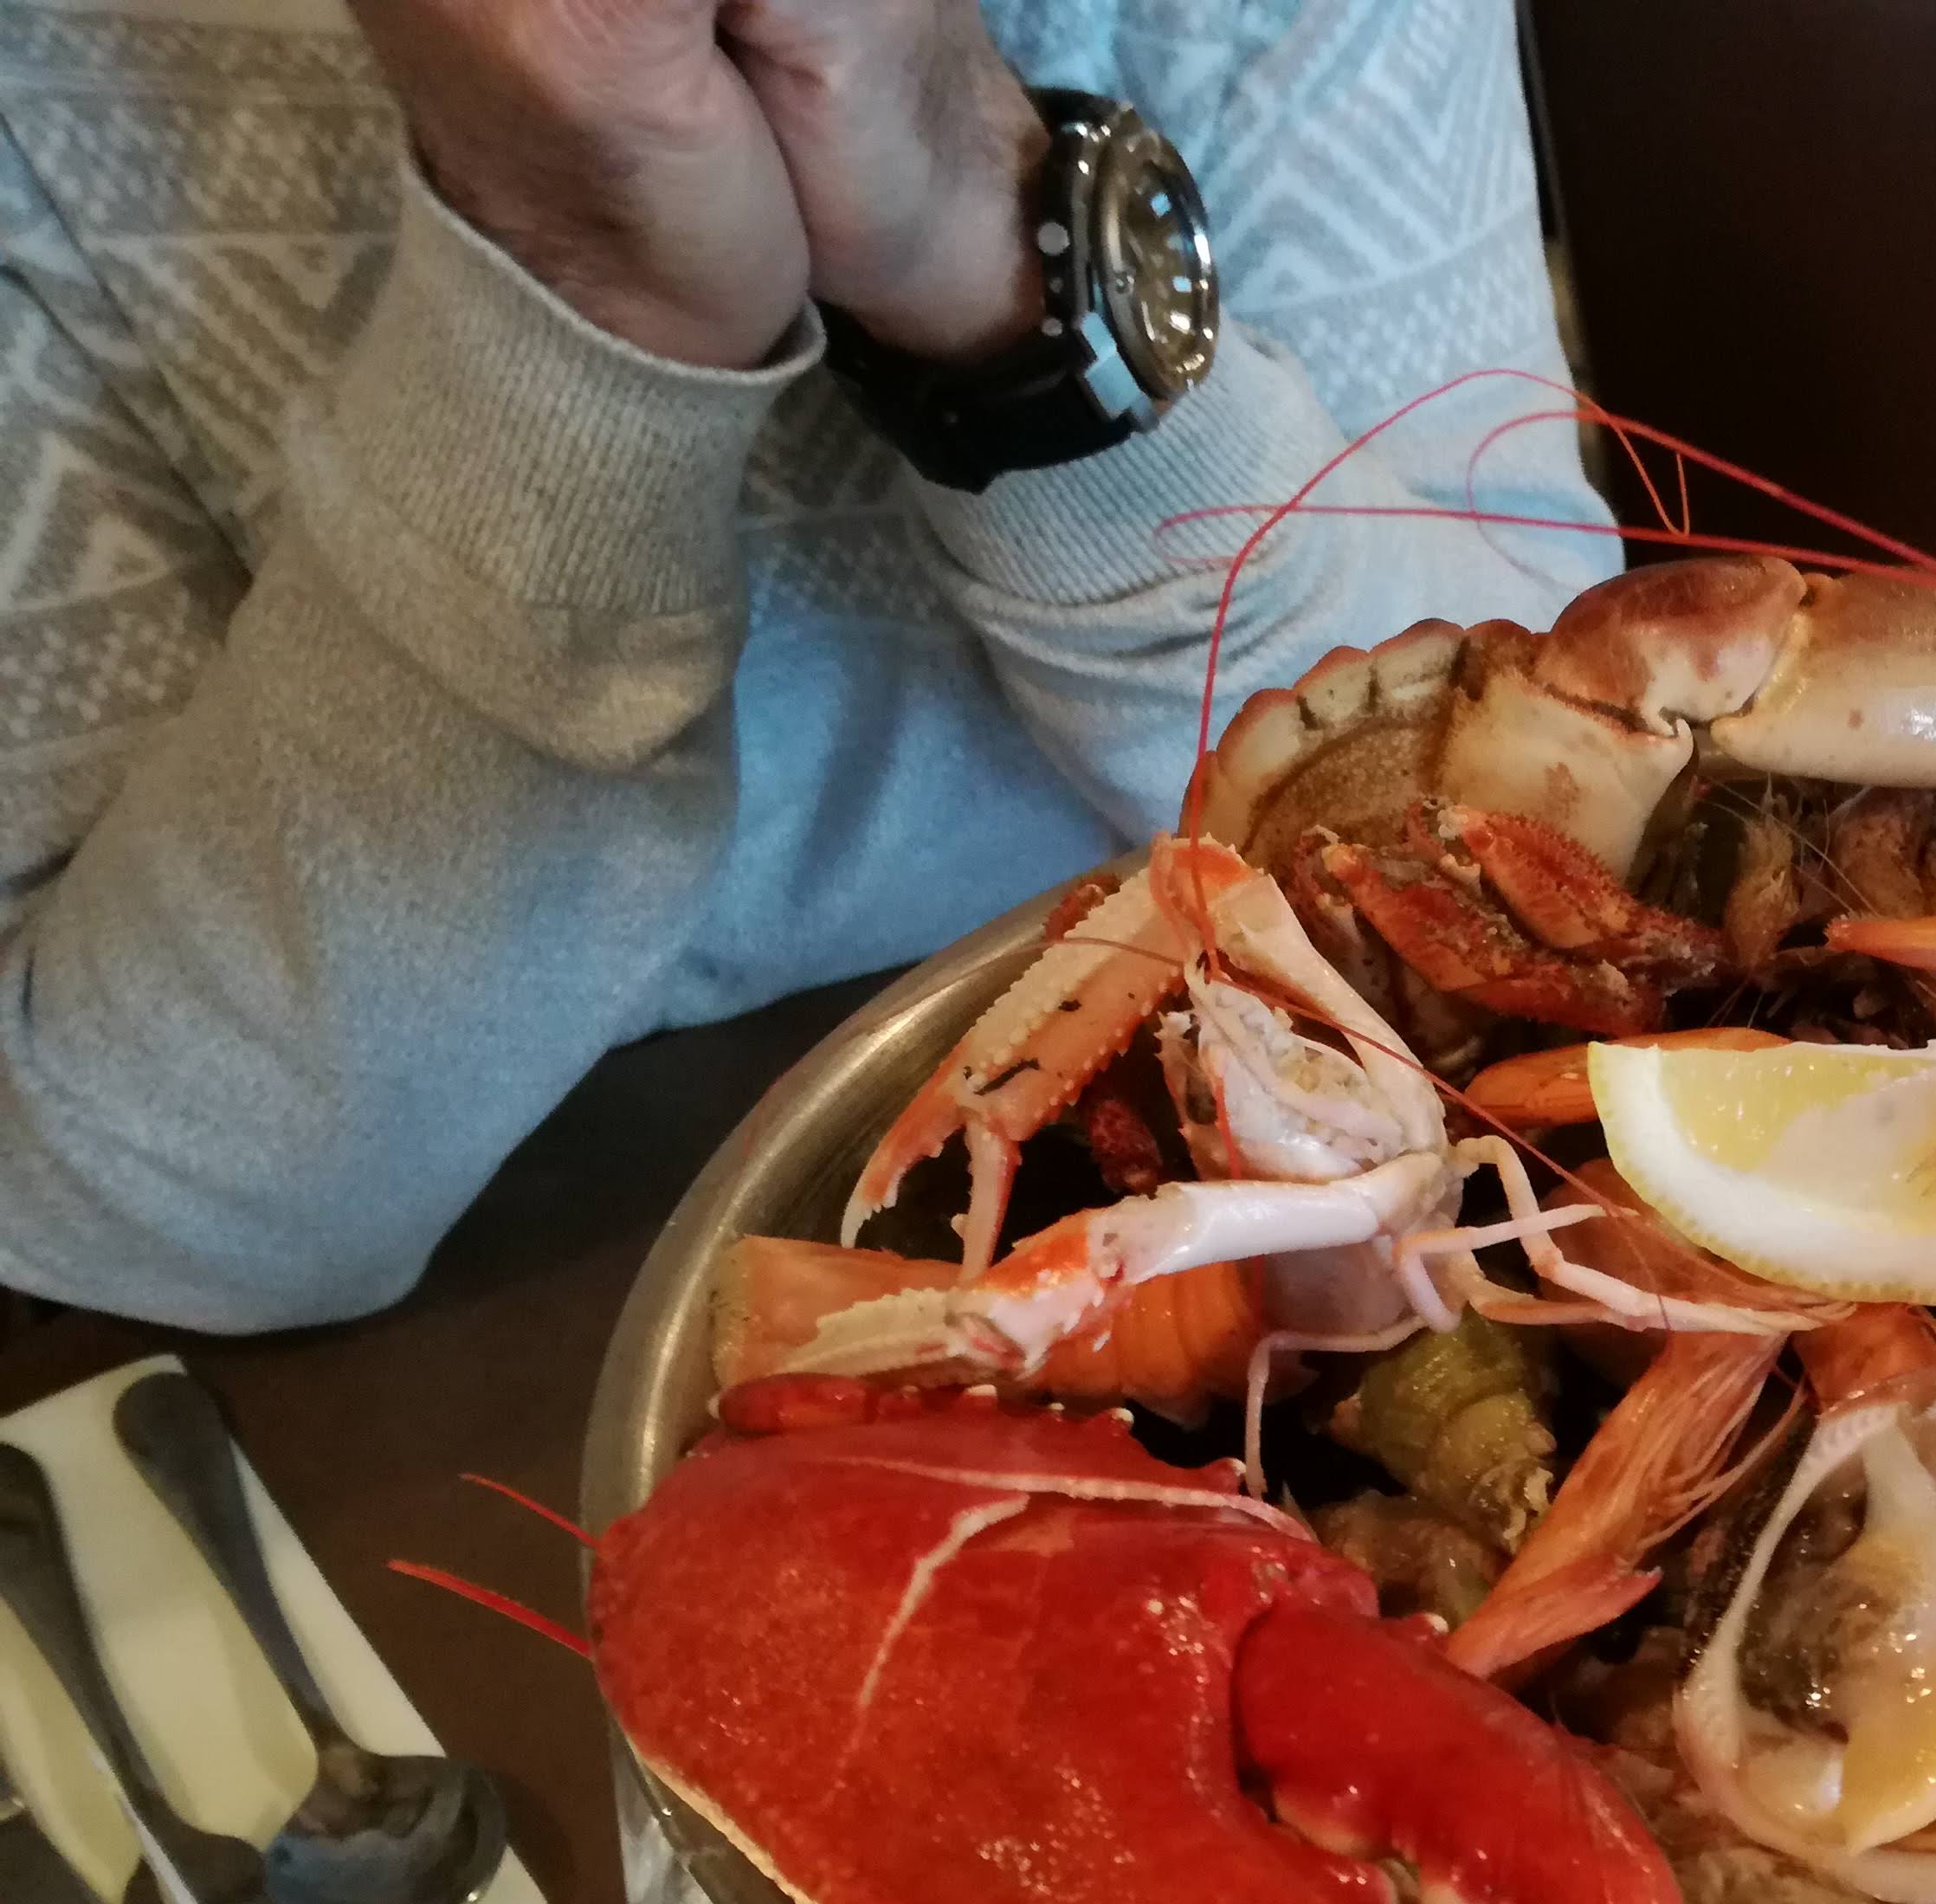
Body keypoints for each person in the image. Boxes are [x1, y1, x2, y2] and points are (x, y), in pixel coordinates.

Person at [0, 0, 1610, 1331]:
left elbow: (1565, 794)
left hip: (1386, 1160)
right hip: (527, 1326)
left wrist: (979, 221)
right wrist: (581, 280)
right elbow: (143, 1200)